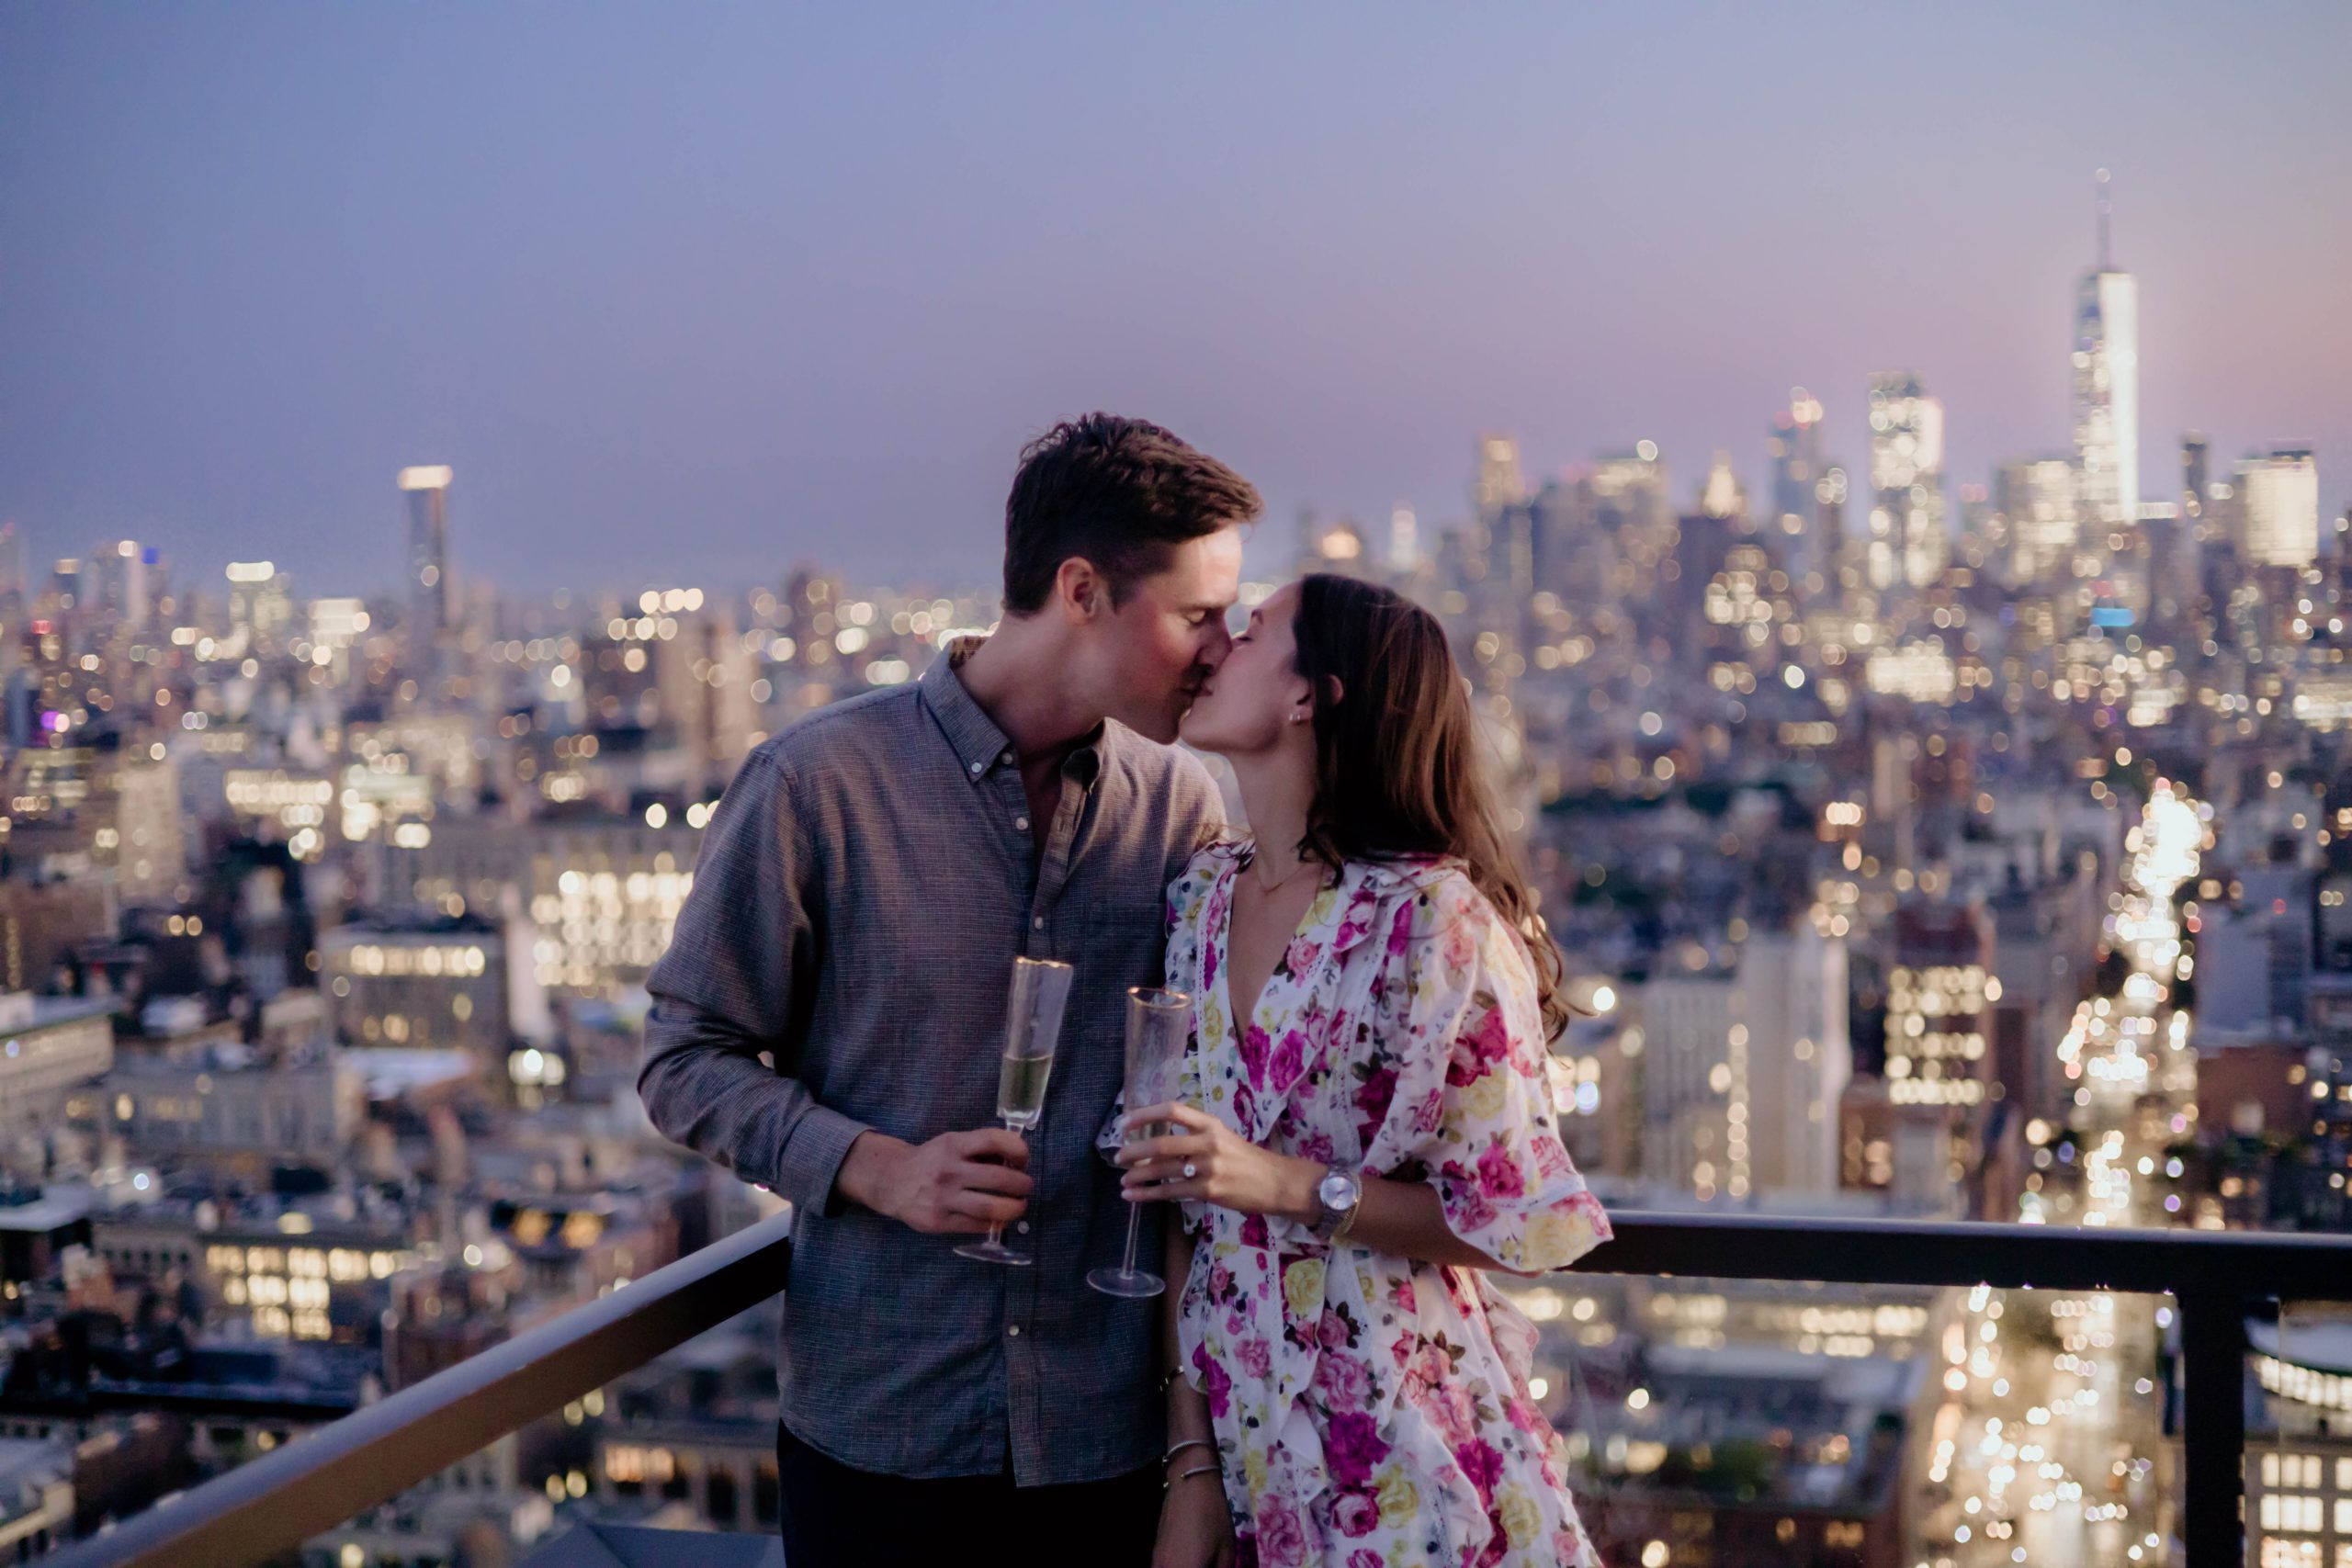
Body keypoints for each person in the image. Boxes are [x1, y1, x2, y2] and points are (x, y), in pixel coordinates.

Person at [638, 413, 1260, 1565]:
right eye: (1197, 616)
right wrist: (876, 1167)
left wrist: (1195, 1458)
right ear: (1082, 592)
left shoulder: (1181, 806)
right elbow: (681, 1059)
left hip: (1107, 1443)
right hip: (884, 1433)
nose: (1222, 649)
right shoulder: (820, 784)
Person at [1119, 573, 1613, 1568]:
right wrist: (1191, 1465)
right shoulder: (1197, 901)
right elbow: (1175, 1204)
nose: (1216, 648)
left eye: (1252, 631)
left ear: (1310, 694)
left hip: (1408, 1460)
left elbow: (1512, 1222)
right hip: (1248, 1461)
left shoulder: (1434, 924)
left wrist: (1286, 1184)